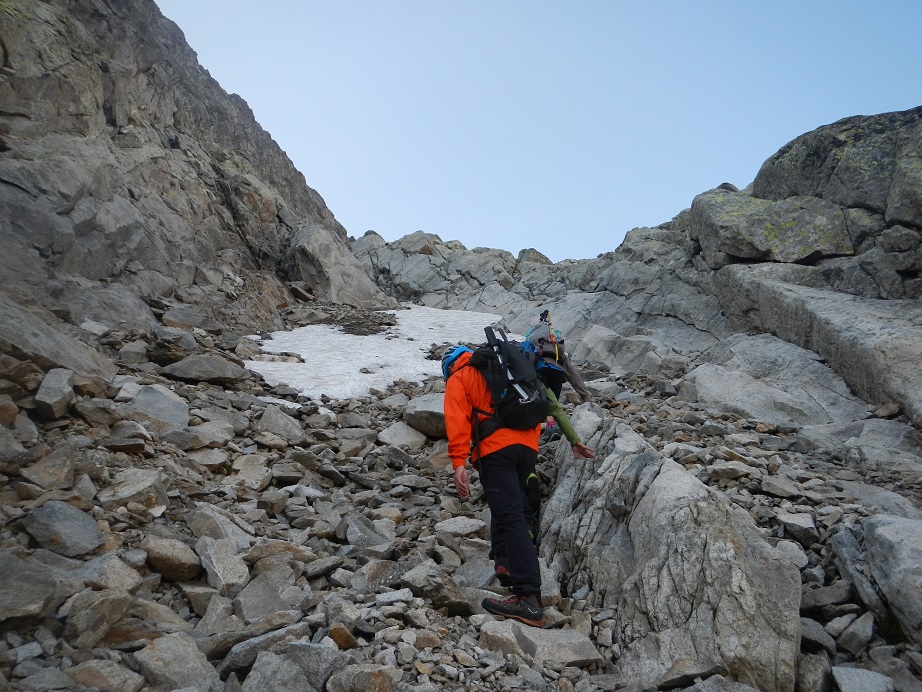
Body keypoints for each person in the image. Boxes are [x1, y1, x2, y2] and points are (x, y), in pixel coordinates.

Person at [441, 344, 596, 628]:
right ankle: (504, 562)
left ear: (449, 366)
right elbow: (549, 400)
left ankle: (528, 598)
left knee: (510, 515)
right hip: (527, 447)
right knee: (509, 508)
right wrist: (573, 438)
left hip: (496, 451)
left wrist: (458, 462)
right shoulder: (507, 366)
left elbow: (457, 419)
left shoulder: (460, 376)